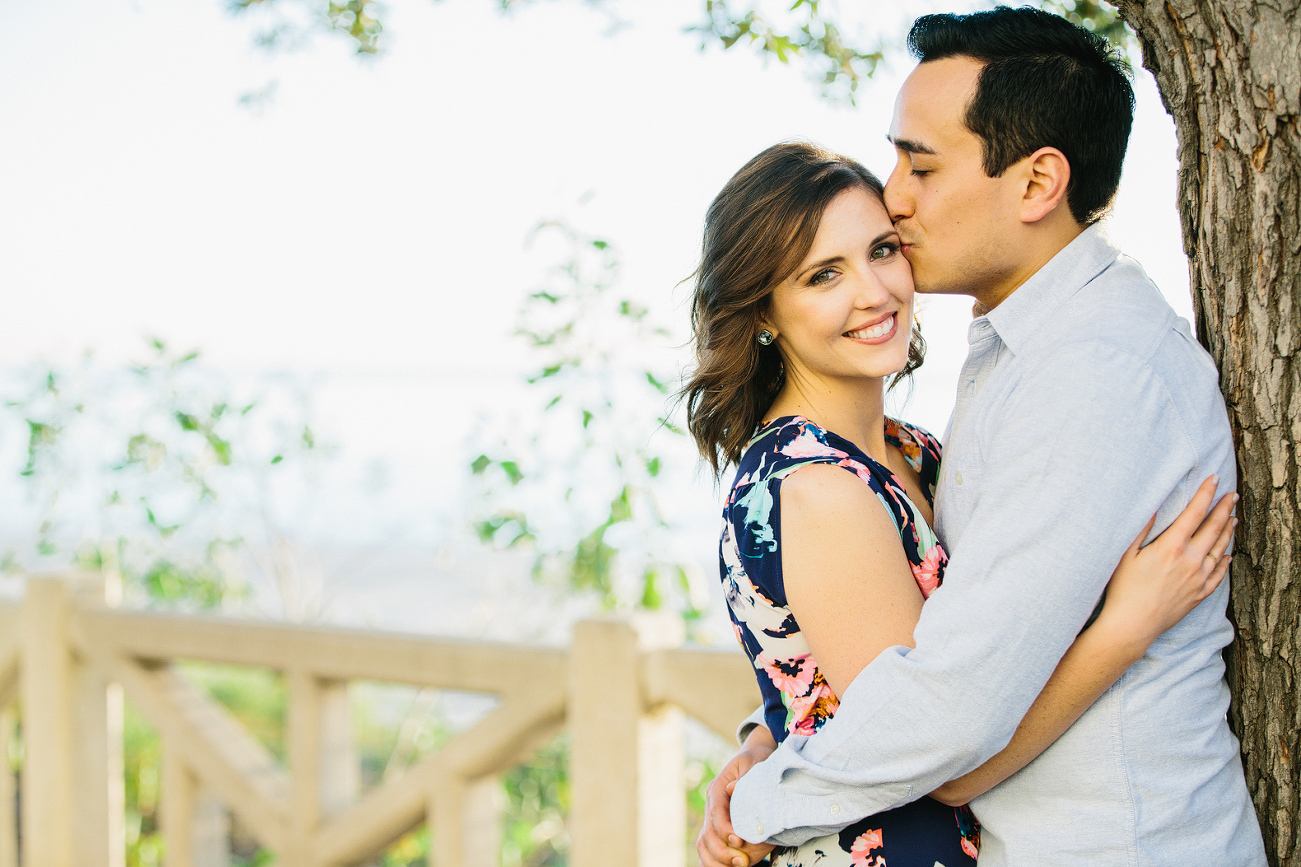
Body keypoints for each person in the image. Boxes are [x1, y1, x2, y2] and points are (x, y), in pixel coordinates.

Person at [700, 8, 1267, 866]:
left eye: (919, 165)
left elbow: (945, 719)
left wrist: (766, 793)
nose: (893, 194)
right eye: (823, 272)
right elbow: (899, 670)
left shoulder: (1087, 375)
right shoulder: (1012, 351)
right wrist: (773, 733)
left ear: (1038, 184)